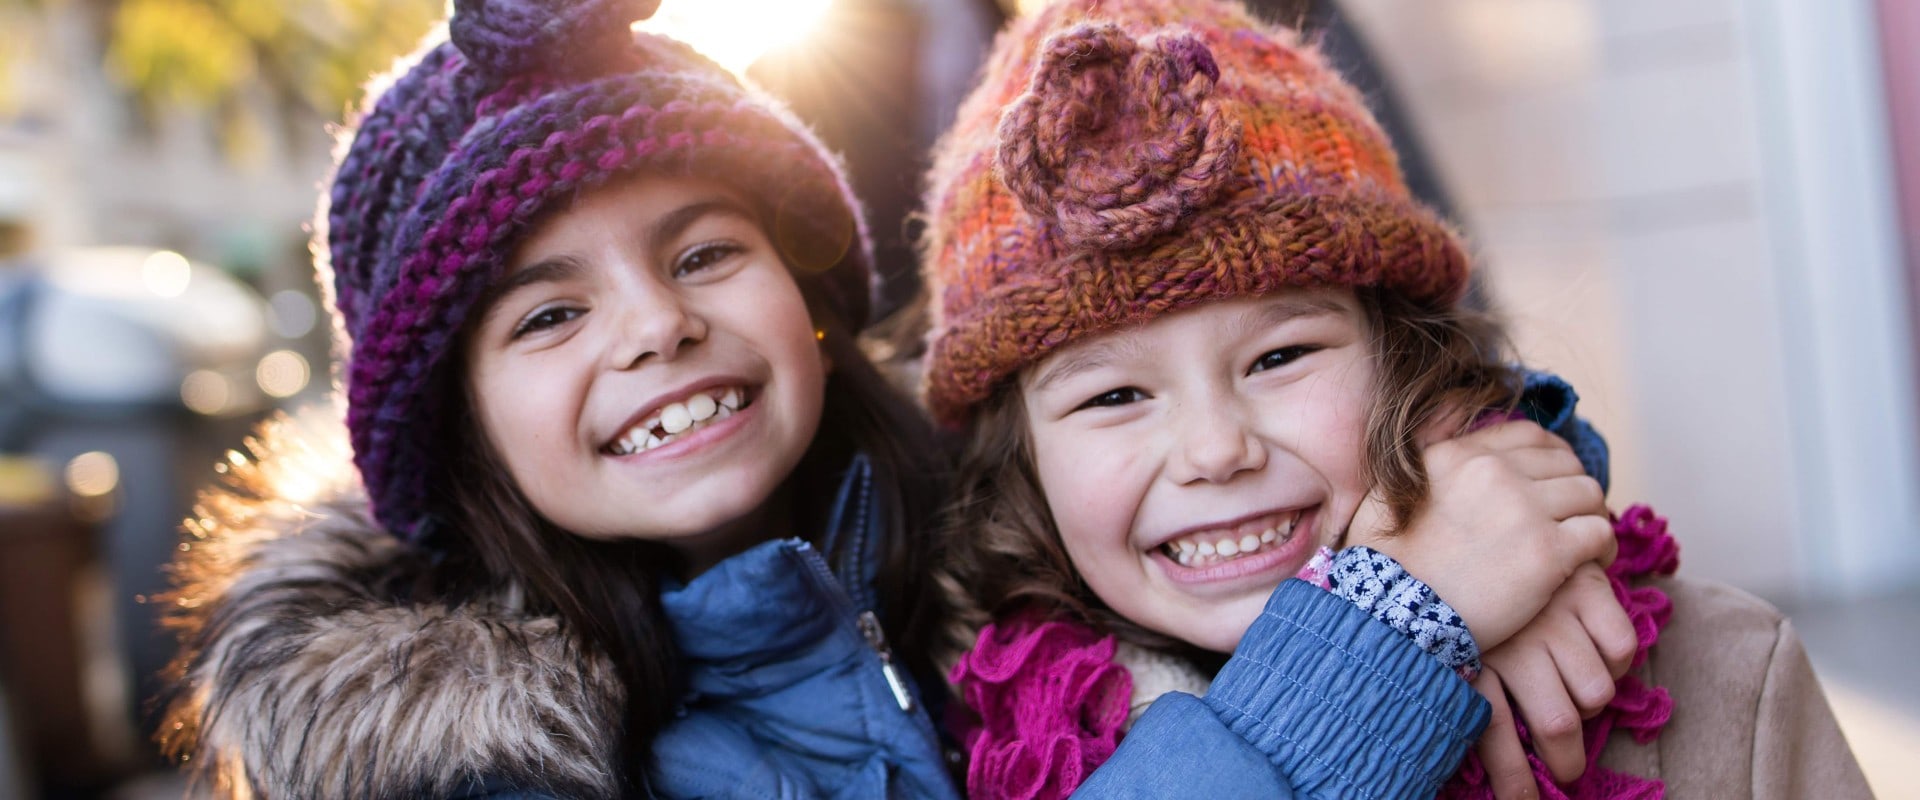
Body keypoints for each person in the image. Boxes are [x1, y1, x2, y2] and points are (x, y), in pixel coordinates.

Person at [917, 1, 1875, 798]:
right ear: (1022, 466)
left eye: (1281, 356)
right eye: (1116, 394)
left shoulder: (1714, 675)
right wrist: (1394, 621)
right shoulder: (949, 747)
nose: (1214, 450)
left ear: (1407, 359)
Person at [153, 0, 962, 796]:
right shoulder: (476, 776)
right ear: (462, 433)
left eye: (705, 253)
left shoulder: (1042, 556)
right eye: (551, 315)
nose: (656, 324)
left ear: (813, 304)